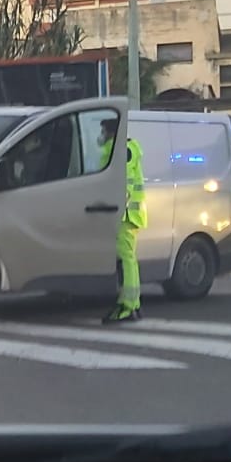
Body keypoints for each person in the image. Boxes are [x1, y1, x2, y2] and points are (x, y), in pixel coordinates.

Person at [99, 117, 147, 325]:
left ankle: (129, 306)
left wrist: (115, 209)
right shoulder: (128, 148)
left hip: (124, 215)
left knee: (126, 260)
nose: (101, 135)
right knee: (128, 259)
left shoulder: (120, 151)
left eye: (104, 131)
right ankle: (132, 303)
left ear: (112, 132)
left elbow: (122, 184)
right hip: (129, 214)